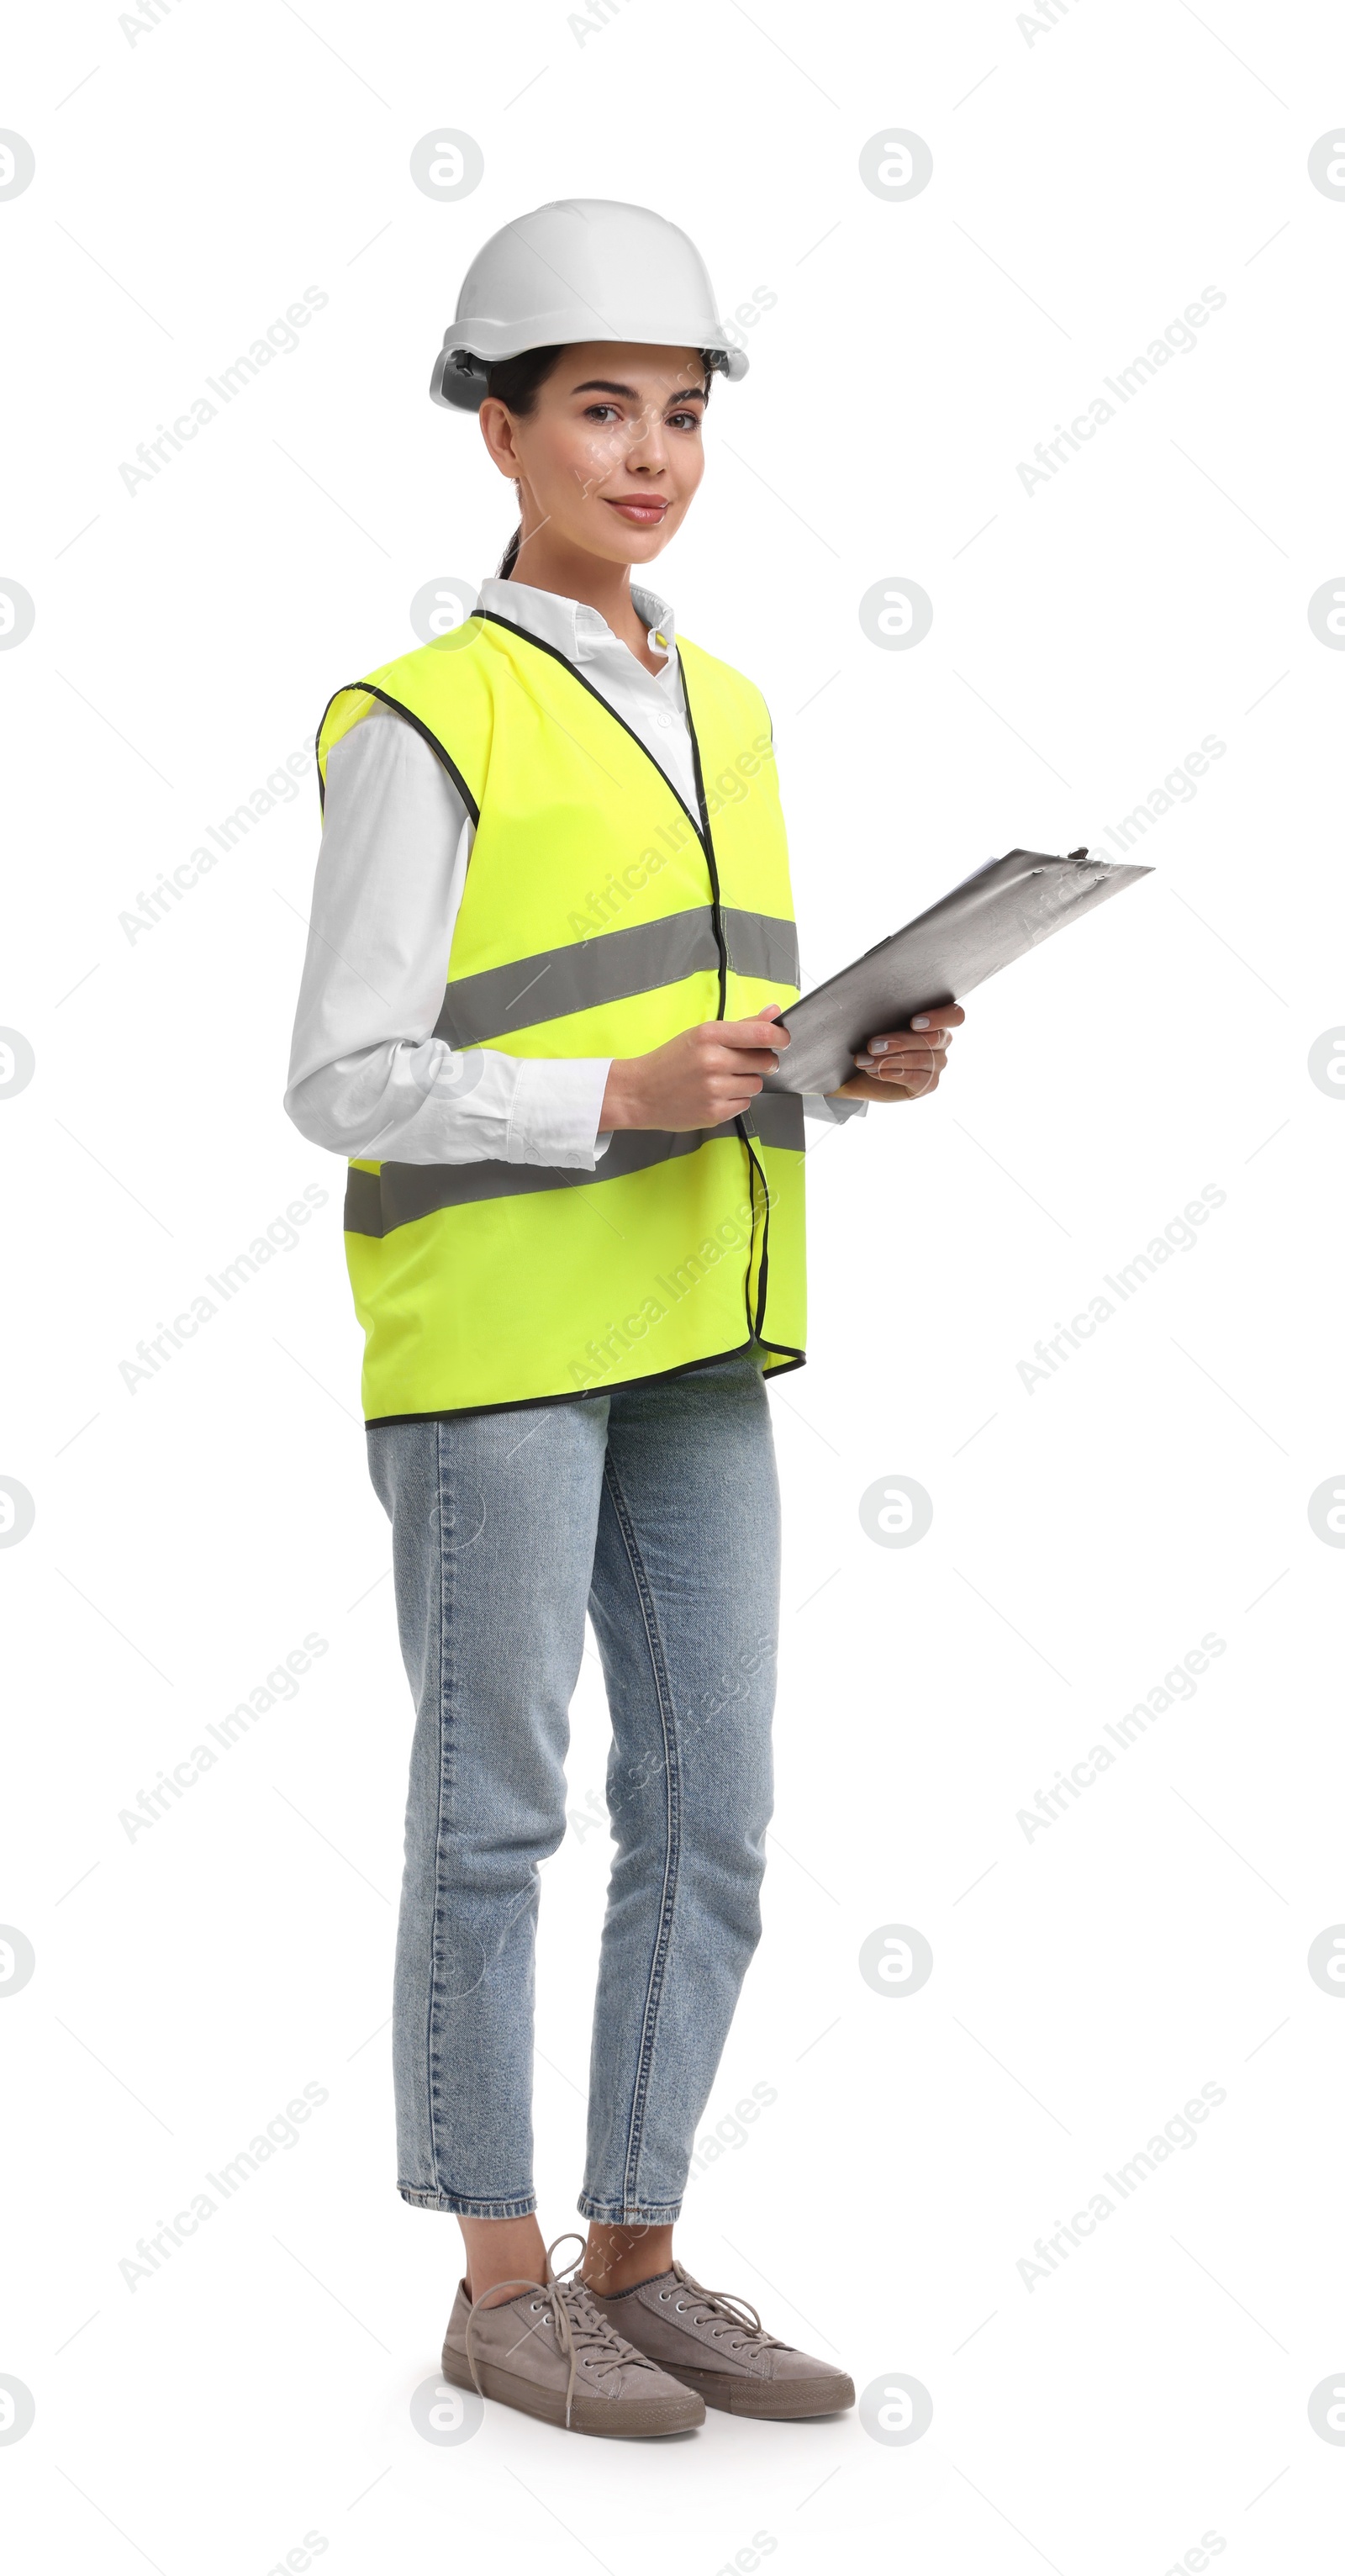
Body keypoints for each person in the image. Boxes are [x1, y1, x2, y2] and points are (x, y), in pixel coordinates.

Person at [285, 198, 963, 2438]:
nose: (651, 451)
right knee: (496, 1809)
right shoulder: (422, 719)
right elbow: (347, 1075)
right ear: (500, 433)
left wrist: (843, 1075)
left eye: (681, 412)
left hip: (696, 1314)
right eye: (600, 407)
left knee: (719, 1804)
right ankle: (497, 2284)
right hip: (493, 1342)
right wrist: (607, 1094)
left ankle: (636, 2249)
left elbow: (705, 1064)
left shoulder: (737, 708)